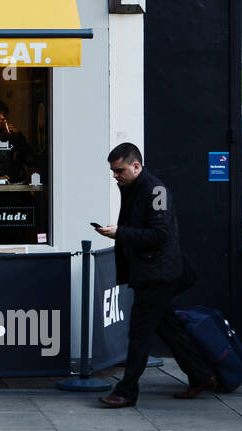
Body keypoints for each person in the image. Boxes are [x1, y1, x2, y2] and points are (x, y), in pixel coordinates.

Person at [93, 142, 218, 407]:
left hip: (158, 275)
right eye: (113, 171)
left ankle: (126, 391)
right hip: (151, 272)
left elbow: (159, 235)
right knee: (168, 327)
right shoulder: (133, 187)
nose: (115, 175)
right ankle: (201, 375)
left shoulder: (155, 190)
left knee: (139, 332)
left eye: (119, 170)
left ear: (136, 166)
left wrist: (120, 233)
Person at [0, 98, 31, 182]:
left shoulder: (12, 137)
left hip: (13, 187)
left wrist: (19, 138)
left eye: (5, 114)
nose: (3, 117)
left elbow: (28, 159)